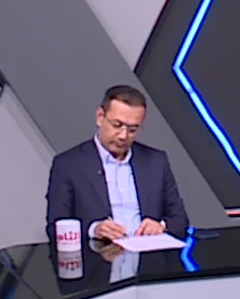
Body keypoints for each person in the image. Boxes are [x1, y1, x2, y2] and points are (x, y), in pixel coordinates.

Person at [46, 85, 190, 245]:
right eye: (117, 125)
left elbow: (180, 219)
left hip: (148, 256)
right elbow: (55, 227)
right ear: (100, 117)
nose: (123, 136)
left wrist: (161, 226)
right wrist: (94, 230)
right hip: (98, 257)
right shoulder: (68, 165)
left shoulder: (156, 161)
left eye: (132, 129)